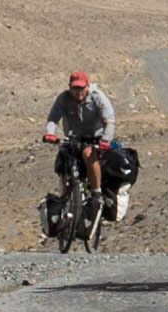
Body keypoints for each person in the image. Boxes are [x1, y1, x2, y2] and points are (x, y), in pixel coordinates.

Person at [42, 69, 118, 215]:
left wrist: (105, 140)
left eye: (81, 88)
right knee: (64, 157)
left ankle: (96, 193)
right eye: (74, 88)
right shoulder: (63, 98)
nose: (78, 92)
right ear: (69, 87)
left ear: (87, 86)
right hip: (73, 138)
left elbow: (109, 121)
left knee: (88, 154)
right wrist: (50, 133)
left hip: (95, 139)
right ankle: (65, 195)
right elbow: (53, 119)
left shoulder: (98, 97)